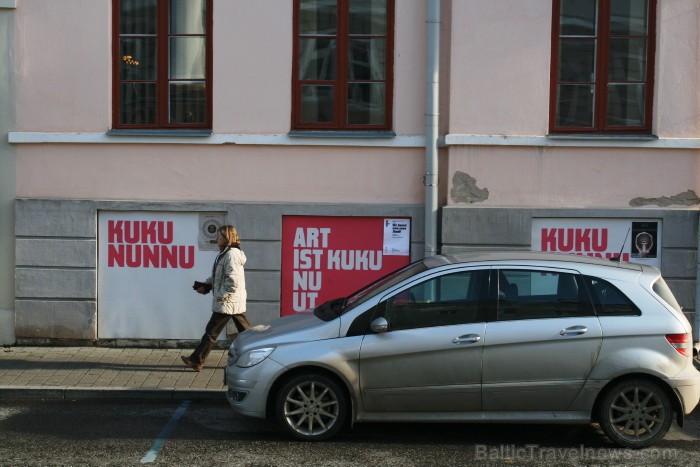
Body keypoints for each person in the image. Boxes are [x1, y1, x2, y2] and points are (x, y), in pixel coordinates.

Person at [181, 225, 250, 372]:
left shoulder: (231, 254)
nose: (216, 238)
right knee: (247, 334)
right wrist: (206, 285)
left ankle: (196, 360)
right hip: (232, 301)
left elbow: (232, 281)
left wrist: (220, 296)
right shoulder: (225, 253)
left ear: (226, 237)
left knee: (211, 332)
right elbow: (218, 277)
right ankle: (260, 354)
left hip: (228, 302)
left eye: (219, 236)